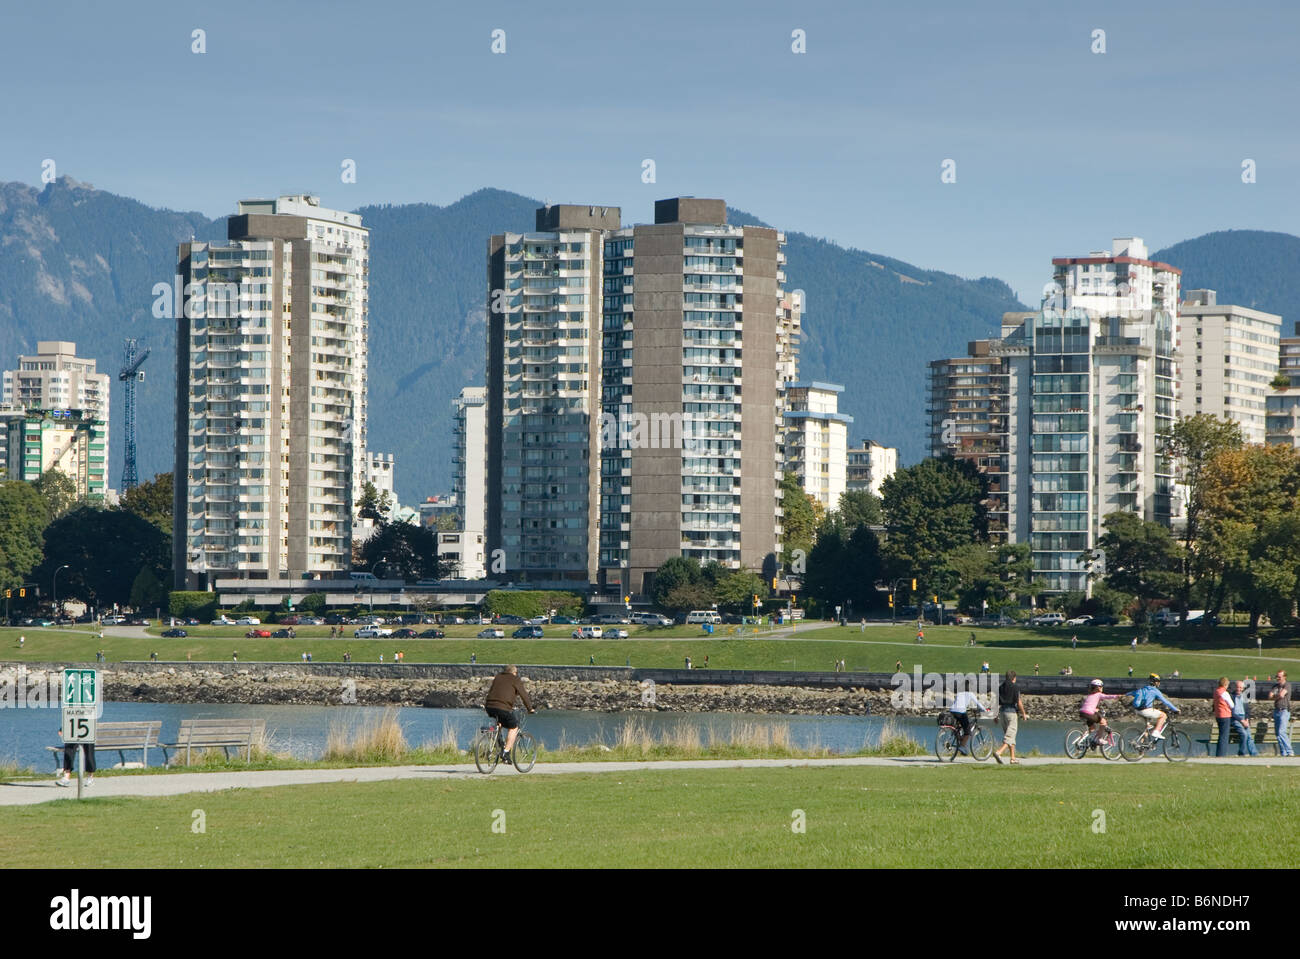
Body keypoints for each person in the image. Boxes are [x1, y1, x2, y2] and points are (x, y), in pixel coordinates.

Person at [484, 665, 534, 765]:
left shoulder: (498, 676)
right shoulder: (515, 679)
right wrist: (530, 709)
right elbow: (523, 695)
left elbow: (492, 691)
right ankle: (506, 753)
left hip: (489, 707)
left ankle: (499, 743)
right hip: (503, 708)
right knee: (513, 727)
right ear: (514, 672)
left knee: (500, 722)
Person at [1129, 673, 1179, 739]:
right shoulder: (1155, 691)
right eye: (1158, 681)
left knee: (1147, 728)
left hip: (1138, 710)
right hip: (1146, 711)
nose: (1159, 683)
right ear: (1155, 682)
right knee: (1163, 715)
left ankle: (1141, 746)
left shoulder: (1143, 689)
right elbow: (1165, 702)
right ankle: (1156, 732)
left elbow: (1131, 693)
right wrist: (1175, 709)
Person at [993, 670, 1028, 765]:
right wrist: (1023, 713)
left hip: (1002, 713)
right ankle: (999, 752)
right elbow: (1018, 702)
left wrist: (995, 715)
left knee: (1010, 736)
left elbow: (996, 702)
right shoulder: (1015, 687)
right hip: (1011, 713)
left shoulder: (1001, 687)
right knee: (1010, 736)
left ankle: (1012, 758)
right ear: (1013, 678)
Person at [1079, 679, 1120, 749]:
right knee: (1103, 722)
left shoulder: (1090, 695)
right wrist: (1118, 696)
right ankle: (1099, 739)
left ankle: (1082, 740)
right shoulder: (1098, 694)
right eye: (1101, 686)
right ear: (1098, 687)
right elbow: (1107, 696)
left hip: (1082, 712)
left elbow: (1089, 705)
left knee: (1092, 729)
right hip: (1089, 713)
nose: (1102, 688)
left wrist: (1096, 709)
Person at [949, 687, 990, 755]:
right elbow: (978, 703)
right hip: (961, 712)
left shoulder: (959, 693)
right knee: (967, 731)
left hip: (952, 711)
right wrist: (985, 710)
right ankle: (962, 746)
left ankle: (960, 740)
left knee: (959, 728)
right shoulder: (970, 694)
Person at [1269, 670, 1293, 756]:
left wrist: (1276, 696)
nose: (1278, 678)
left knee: (1281, 731)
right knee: (1277, 734)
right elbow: (1270, 696)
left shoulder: (1287, 685)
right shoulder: (1275, 686)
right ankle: (1283, 752)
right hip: (1276, 710)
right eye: (1277, 676)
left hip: (1284, 710)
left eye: (1280, 676)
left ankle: (1290, 751)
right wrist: (1277, 696)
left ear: (1284, 677)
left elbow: (1282, 695)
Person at [1231, 680, 1257, 757]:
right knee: (1244, 734)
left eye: (1240, 687)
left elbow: (1247, 710)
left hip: (1244, 718)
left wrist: (1247, 719)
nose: (1239, 689)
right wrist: (1241, 721)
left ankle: (1254, 754)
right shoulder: (1232, 697)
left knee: (1249, 736)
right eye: (1237, 687)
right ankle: (1241, 753)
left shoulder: (1244, 696)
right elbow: (1232, 712)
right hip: (1235, 719)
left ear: (1243, 688)